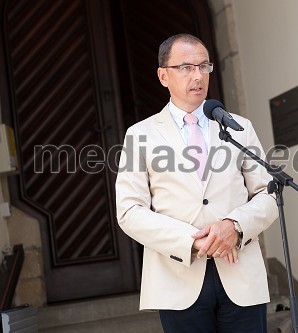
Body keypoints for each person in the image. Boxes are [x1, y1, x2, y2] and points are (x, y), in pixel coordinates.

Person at [115, 33, 278, 333]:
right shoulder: (140, 135)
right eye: (187, 67)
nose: (198, 75)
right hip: (177, 278)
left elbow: (268, 195)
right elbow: (129, 212)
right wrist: (192, 240)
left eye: (204, 66)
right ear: (163, 76)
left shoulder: (239, 127)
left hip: (241, 274)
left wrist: (234, 226)